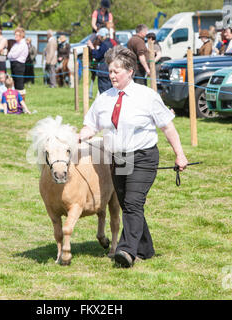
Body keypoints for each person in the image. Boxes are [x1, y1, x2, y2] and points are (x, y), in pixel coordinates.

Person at [79, 46, 188, 268]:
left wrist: (180, 154)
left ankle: (126, 251)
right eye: (110, 71)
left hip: (143, 156)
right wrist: (79, 137)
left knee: (132, 202)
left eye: (116, 71)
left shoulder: (147, 96)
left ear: (129, 71)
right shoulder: (104, 99)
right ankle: (145, 249)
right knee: (129, 204)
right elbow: (91, 125)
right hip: (118, 158)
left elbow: (167, 127)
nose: (111, 76)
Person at [87, 28, 113, 94]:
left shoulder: (104, 45)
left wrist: (92, 47)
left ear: (101, 36)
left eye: (99, 36)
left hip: (103, 70)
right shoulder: (110, 43)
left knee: (104, 92)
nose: (98, 38)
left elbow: (97, 55)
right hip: (109, 69)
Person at [7, 27, 29, 100]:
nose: (15, 36)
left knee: (19, 84)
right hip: (13, 64)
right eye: (15, 35)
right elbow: (9, 55)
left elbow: (14, 55)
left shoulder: (23, 44)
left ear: (21, 35)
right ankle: (15, 100)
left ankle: (21, 101)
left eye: (17, 35)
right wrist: (11, 55)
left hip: (19, 65)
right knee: (15, 83)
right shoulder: (15, 44)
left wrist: (11, 55)